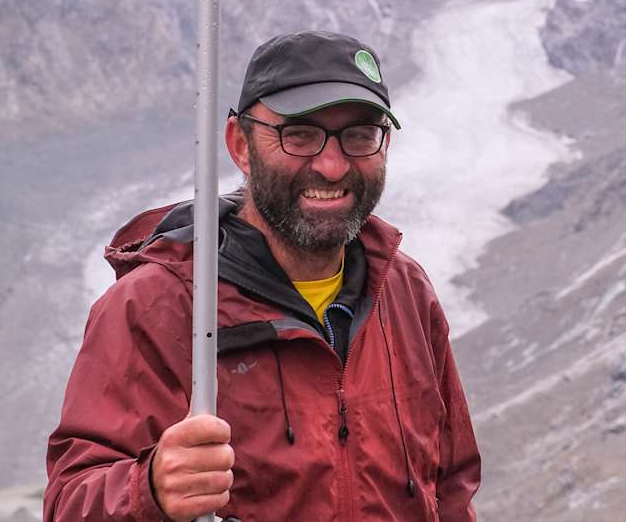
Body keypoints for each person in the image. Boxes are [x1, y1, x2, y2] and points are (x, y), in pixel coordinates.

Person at [45, 31, 481, 521]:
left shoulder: (403, 290)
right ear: (240, 144)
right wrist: (148, 491)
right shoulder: (161, 303)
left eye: (360, 135)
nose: (332, 165)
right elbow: (70, 503)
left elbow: (452, 485)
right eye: (299, 135)